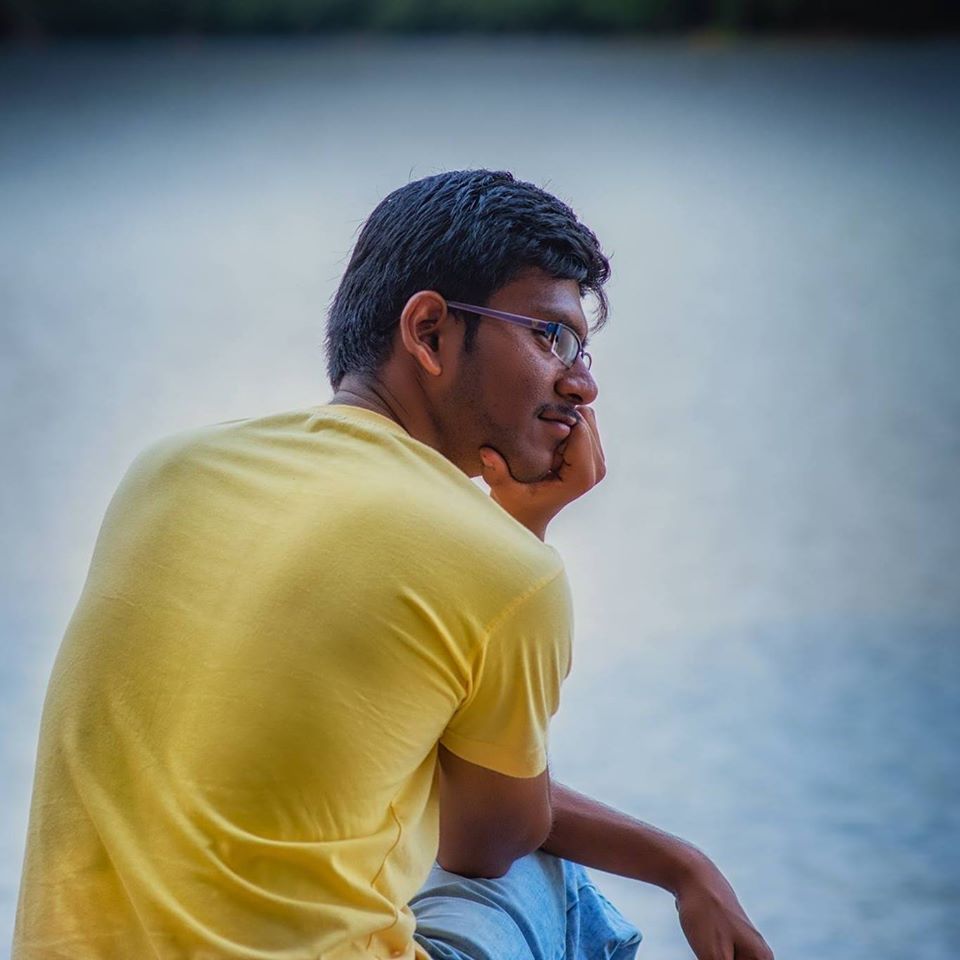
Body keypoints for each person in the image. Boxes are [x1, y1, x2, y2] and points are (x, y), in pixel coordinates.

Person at [13, 169, 774, 960]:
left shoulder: (165, 473)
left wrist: (677, 863)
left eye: (580, 347)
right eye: (551, 336)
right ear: (429, 332)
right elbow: (485, 845)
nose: (582, 384)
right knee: (550, 881)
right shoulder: (502, 569)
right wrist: (522, 534)